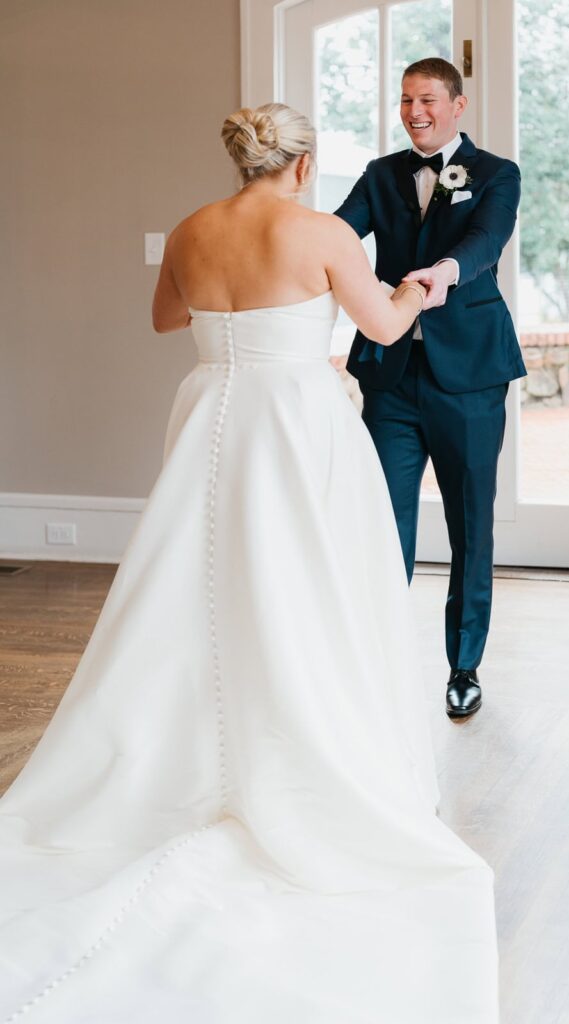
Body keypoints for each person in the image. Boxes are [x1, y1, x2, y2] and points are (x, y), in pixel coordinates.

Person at [0, 103, 498, 1022]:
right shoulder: (321, 231)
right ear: (301, 164)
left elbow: (165, 318)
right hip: (296, 419)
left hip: (210, 412)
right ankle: (301, 738)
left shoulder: (193, 228)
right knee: (306, 584)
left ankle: (172, 755)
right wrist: (423, 288)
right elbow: (383, 330)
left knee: (193, 585)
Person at [336, 57, 526, 720]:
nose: (415, 112)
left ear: (457, 105)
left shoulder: (496, 174)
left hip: (469, 376)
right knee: (383, 524)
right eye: (405, 100)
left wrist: (444, 270)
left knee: (470, 525)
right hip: (389, 376)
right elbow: (334, 235)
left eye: (427, 100)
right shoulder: (378, 174)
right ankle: (377, 667)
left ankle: (464, 666)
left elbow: (485, 240)